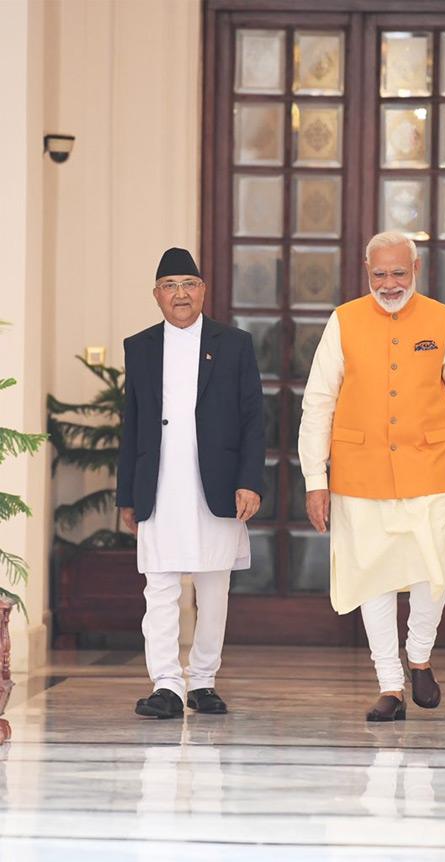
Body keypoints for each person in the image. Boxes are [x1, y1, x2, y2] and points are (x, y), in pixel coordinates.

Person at [298, 231, 445, 722]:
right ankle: (390, 685)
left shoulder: (443, 320)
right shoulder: (343, 320)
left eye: (398, 273)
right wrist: (315, 479)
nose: (389, 283)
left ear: (417, 270)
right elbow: (318, 402)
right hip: (358, 471)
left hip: (429, 468)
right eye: (379, 274)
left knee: (434, 570)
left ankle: (420, 657)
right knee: (375, 579)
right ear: (366, 272)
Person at [117, 247, 264, 719]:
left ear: (202, 290)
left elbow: (253, 418)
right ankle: (166, 684)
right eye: (169, 286)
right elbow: (132, 423)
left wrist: (250, 481)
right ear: (156, 295)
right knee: (159, 585)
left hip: (216, 485)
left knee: (213, 585)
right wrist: (126, 495)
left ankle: (202, 681)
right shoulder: (139, 346)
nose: (179, 294)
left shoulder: (234, 343)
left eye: (188, 284)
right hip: (157, 484)